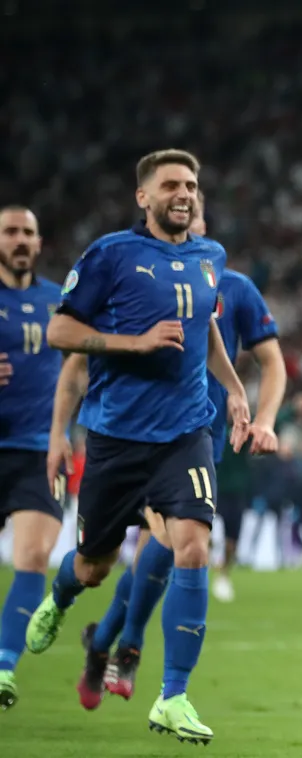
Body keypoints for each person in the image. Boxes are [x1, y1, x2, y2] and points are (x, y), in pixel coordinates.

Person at [24, 149, 253, 744]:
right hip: (116, 441)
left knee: (194, 547)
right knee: (93, 568)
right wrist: (134, 342)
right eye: (171, 184)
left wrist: (233, 390)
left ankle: (172, 695)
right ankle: (61, 596)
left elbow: (204, 333)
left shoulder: (211, 258)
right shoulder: (111, 255)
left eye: (192, 184)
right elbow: (60, 331)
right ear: (143, 197)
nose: (184, 192)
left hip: (184, 437)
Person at [75, 197, 285, 708]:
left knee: (172, 549)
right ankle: (119, 643)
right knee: (137, 554)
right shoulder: (138, 278)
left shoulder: (230, 285)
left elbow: (273, 363)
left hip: (202, 440)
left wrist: (262, 418)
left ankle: (116, 647)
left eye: (197, 218)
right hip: (143, 435)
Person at [0, 205, 64, 710]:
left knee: (35, 557)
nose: (19, 240)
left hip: (38, 450)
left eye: (27, 232)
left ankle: (2, 668)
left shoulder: (59, 301)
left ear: (38, 243)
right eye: (9, 232)